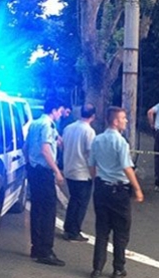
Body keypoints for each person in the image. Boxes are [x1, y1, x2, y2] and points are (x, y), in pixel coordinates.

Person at [88, 107, 144, 278]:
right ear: (115, 121)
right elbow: (127, 167)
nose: (126, 121)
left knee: (102, 230)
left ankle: (97, 268)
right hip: (119, 191)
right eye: (123, 118)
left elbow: (91, 165)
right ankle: (118, 268)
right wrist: (137, 189)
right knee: (121, 232)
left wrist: (96, 179)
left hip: (101, 188)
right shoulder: (120, 142)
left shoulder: (97, 140)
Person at [23, 98, 66, 266]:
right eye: (60, 110)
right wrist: (56, 171)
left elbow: (25, 148)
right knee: (48, 211)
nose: (61, 114)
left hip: (33, 170)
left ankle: (36, 247)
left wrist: (29, 163)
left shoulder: (34, 124)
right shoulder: (47, 125)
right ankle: (46, 251)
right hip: (44, 172)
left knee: (36, 209)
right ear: (54, 110)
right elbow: (45, 149)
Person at [62, 103, 96, 242]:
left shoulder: (68, 128)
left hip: (69, 168)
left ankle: (68, 227)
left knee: (73, 200)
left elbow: (63, 146)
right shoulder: (89, 131)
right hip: (82, 172)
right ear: (93, 116)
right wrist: (95, 173)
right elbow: (90, 154)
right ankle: (74, 231)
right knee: (81, 203)